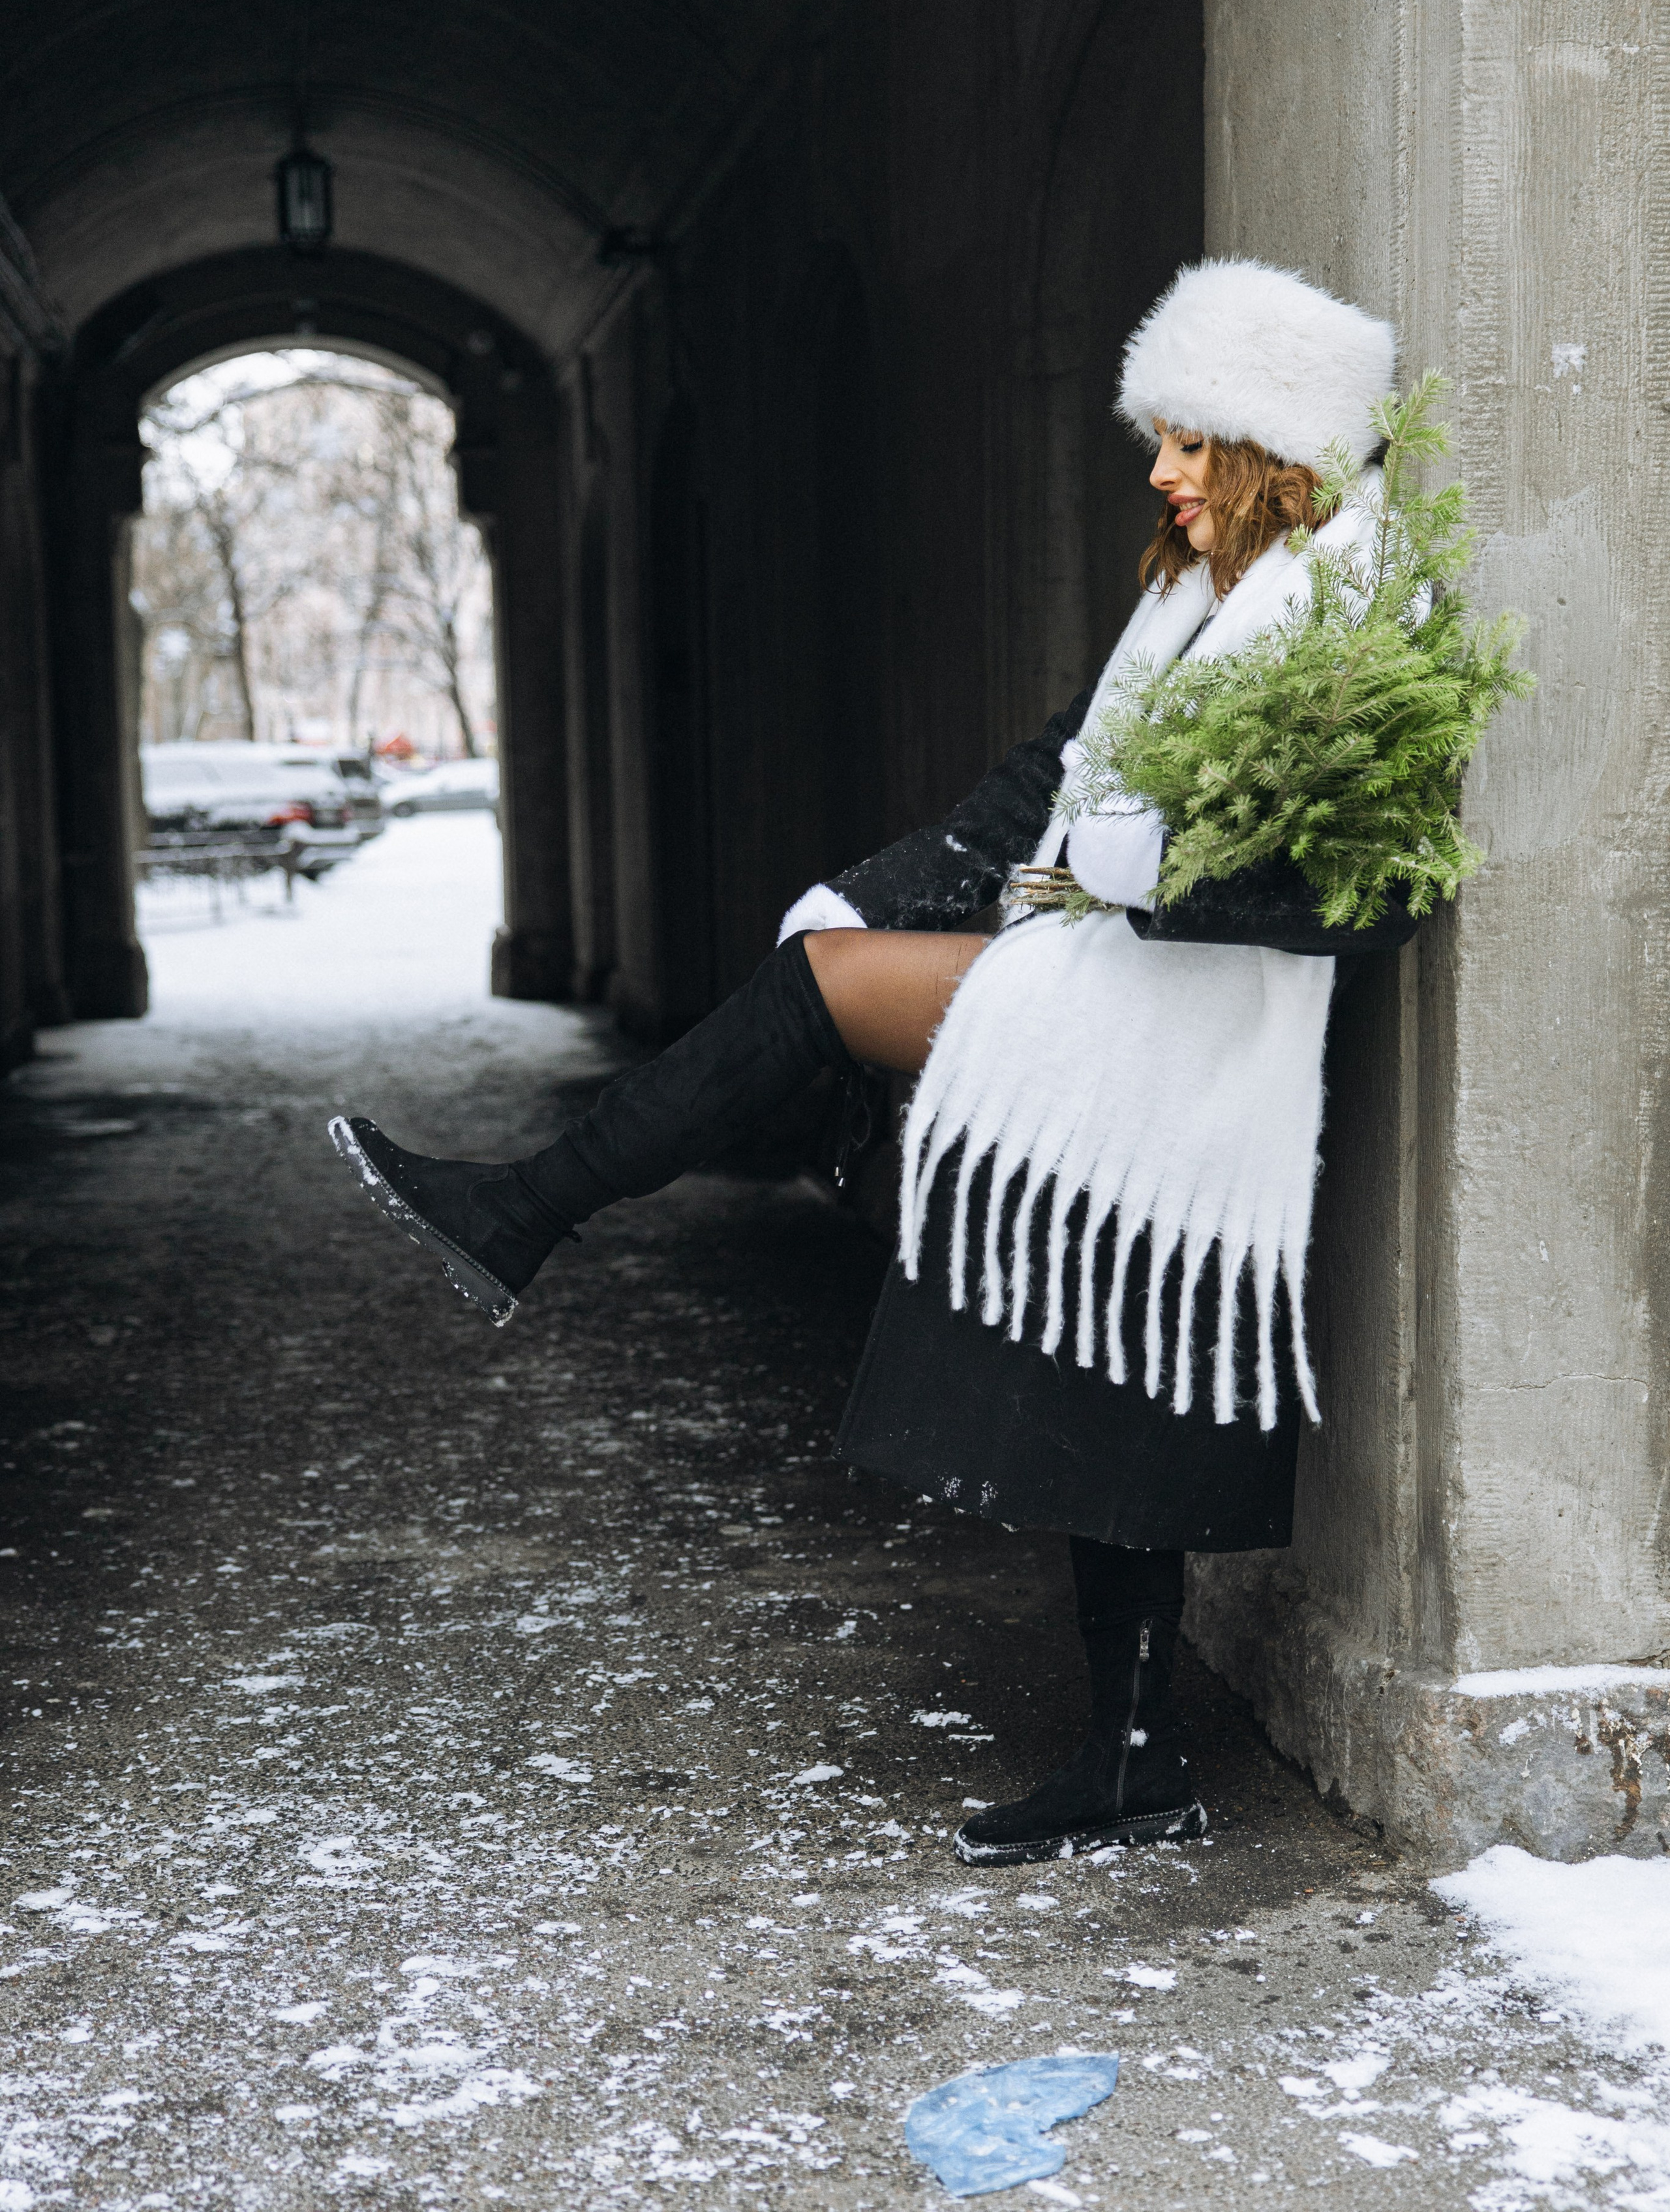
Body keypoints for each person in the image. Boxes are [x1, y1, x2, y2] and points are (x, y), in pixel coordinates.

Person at [329, 258, 1419, 1869]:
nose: (1160, 472)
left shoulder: (1345, 629)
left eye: (1189, 442)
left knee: (821, 1007)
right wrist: (875, 886)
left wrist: (1136, 868)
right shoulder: (1184, 610)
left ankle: (524, 1213)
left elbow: (1366, 901)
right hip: (1102, 1004)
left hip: (1172, 1035)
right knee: (1085, 1365)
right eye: (1160, 439)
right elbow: (1030, 790)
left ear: (1280, 452)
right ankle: (1133, 1759)